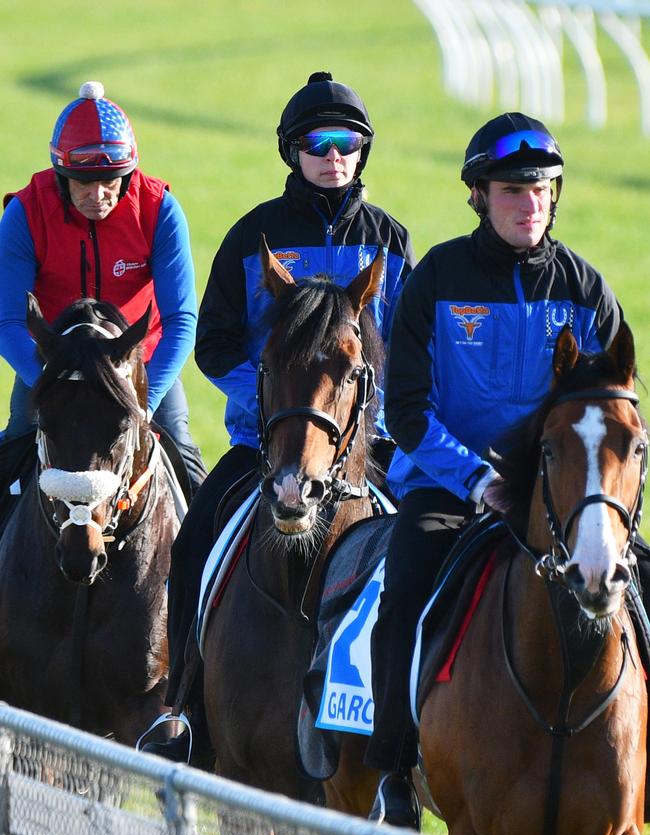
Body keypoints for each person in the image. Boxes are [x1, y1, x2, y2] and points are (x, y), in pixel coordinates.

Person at [143, 70, 416, 763]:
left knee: (441, 553)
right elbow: (213, 344)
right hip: (267, 444)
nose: (334, 155)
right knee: (195, 534)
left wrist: (361, 413)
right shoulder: (252, 236)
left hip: (367, 447)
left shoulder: (391, 241)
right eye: (319, 143)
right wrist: (273, 406)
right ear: (293, 150)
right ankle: (182, 712)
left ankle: (415, 739)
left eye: (348, 142)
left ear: (362, 151)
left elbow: (410, 352)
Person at [365, 111, 627, 831]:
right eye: (513, 190)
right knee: (405, 593)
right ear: (478, 195)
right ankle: (392, 767)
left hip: (562, 501)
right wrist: (476, 479)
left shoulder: (586, 289)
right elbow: (407, 412)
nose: (530, 204)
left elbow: (609, 412)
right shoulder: (437, 281)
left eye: (541, 190)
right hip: (452, 493)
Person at [0, 81, 206, 493]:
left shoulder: (161, 209)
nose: (98, 196)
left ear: (128, 175)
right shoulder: (25, 211)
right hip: (52, 362)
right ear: (61, 177)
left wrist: (143, 399)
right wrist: (52, 381)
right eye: (82, 183)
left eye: (111, 181)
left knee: (181, 448)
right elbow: (7, 322)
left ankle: (206, 551)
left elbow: (182, 320)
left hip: (139, 362)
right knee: (18, 441)